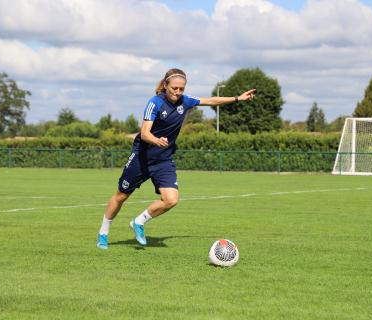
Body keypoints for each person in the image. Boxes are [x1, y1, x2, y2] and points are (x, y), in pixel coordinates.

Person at [96, 68, 256, 249]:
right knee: (121, 196)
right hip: (141, 158)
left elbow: (211, 100)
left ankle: (139, 221)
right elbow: (144, 133)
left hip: (163, 160)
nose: (178, 92)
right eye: (174, 88)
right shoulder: (154, 103)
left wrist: (237, 98)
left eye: (181, 89)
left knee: (171, 199)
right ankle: (103, 233)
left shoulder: (185, 102)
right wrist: (157, 141)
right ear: (165, 86)